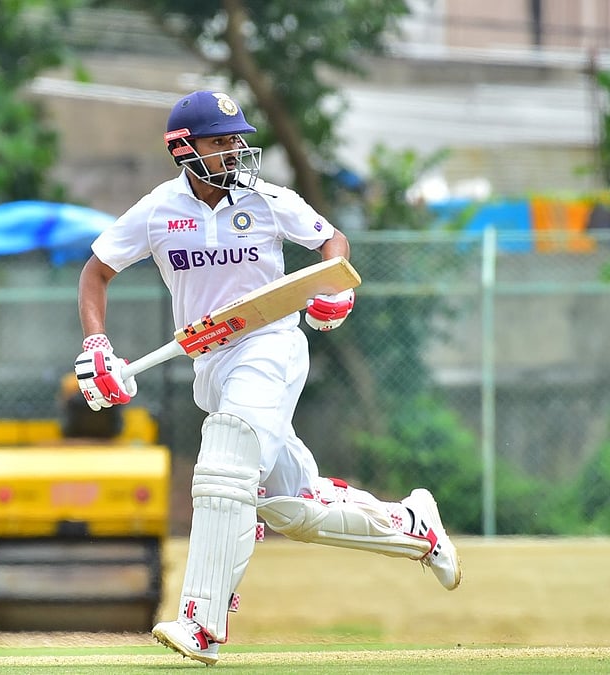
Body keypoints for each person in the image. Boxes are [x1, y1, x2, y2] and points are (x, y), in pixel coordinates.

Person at [72, 91, 461, 666]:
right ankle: (414, 526)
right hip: (212, 363)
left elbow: (332, 241)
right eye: (219, 140)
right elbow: (95, 272)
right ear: (183, 148)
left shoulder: (268, 199)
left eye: (236, 139)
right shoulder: (158, 211)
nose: (233, 150)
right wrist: (96, 343)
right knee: (292, 508)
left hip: (271, 347)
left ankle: (201, 623)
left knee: (225, 463)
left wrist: (333, 285)